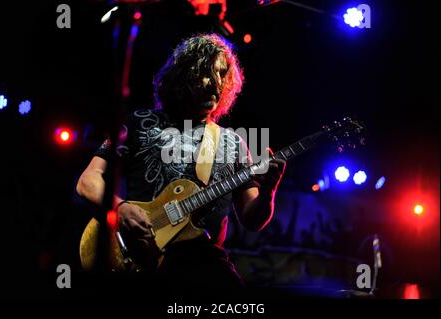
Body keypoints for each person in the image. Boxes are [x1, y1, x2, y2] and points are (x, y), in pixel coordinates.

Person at [76, 34, 286, 291]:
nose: (217, 85)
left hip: (203, 265)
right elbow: (88, 181)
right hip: (139, 253)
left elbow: (253, 220)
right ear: (183, 75)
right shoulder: (138, 123)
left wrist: (268, 192)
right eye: (207, 74)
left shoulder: (233, 143)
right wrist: (120, 209)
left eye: (222, 74)